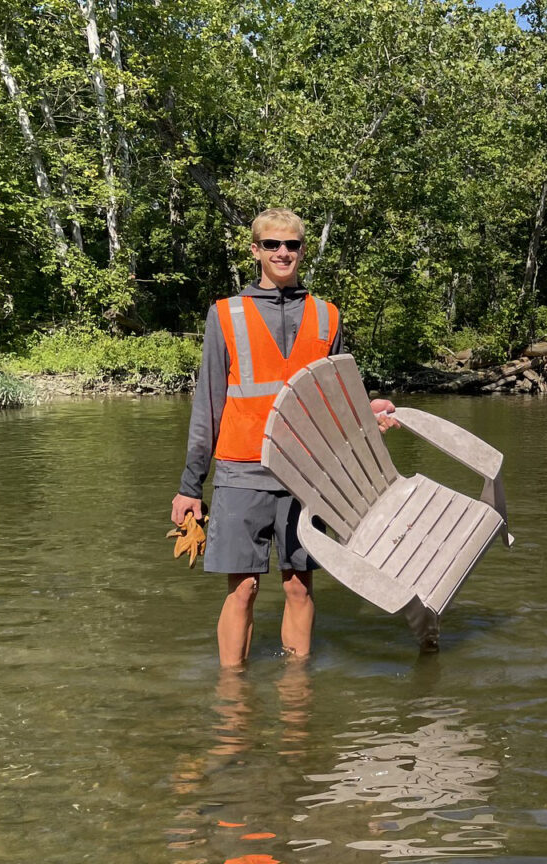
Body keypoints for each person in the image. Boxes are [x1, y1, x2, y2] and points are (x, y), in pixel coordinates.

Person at [170, 208, 396, 667]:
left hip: (307, 476)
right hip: (240, 471)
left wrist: (366, 414)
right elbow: (208, 404)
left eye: (291, 245)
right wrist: (190, 486)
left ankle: (297, 695)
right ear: (255, 251)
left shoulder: (327, 315)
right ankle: (233, 696)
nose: (282, 253)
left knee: (298, 585)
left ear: (302, 251)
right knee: (244, 588)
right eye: (272, 244)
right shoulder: (225, 314)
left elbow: (336, 396)